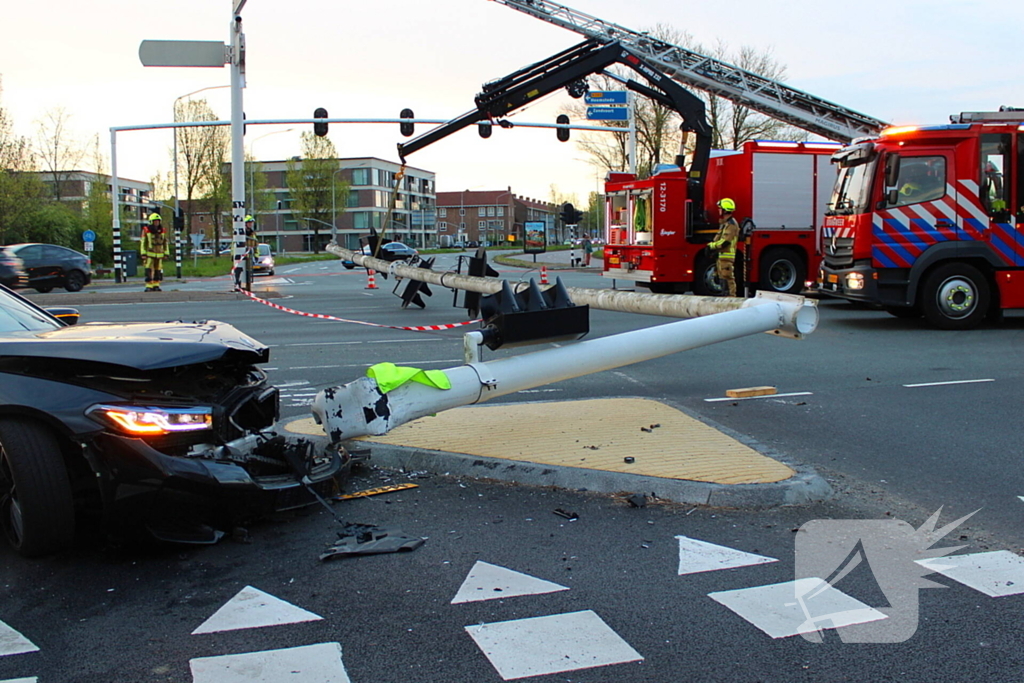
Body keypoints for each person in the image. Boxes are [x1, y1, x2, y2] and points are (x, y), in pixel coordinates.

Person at [708, 198, 740, 297]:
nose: (719, 210)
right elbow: (718, 238)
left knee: (728, 279)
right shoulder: (725, 223)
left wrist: (712, 246)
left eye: (720, 208)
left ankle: (731, 300)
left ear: (725, 210)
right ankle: (725, 299)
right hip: (722, 257)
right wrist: (712, 247)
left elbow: (725, 242)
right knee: (722, 280)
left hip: (726, 257)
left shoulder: (731, 225)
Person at [140, 213, 168, 292]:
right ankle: (149, 285)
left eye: (158, 221)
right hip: (149, 254)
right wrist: (143, 253)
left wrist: (166, 253)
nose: (156, 223)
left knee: (158, 270)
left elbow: (165, 243)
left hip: (159, 254)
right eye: (155, 221)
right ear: (151, 222)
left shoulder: (162, 231)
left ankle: (156, 284)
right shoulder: (146, 230)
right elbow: (143, 242)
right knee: (148, 269)